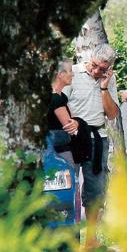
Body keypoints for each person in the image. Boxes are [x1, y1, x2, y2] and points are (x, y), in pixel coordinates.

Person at [64, 44, 119, 251]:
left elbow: (112, 114)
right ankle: (68, 240)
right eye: (95, 66)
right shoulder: (74, 73)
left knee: (95, 189)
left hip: (98, 136)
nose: (96, 71)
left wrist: (104, 86)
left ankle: (91, 240)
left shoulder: (108, 79)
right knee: (69, 185)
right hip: (74, 136)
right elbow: (61, 103)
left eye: (102, 69)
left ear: (109, 68)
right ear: (90, 57)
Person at [47, 60, 80, 222]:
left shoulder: (62, 96)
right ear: (60, 75)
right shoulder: (55, 99)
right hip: (62, 150)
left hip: (59, 148)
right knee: (73, 188)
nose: (72, 74)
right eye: (69, 71)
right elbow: (70, 126)